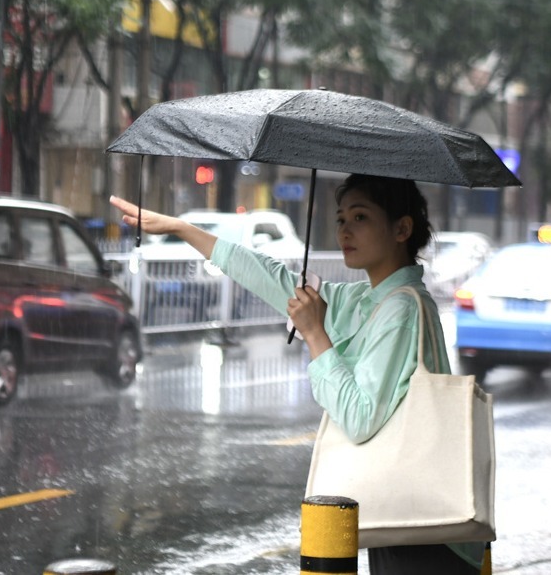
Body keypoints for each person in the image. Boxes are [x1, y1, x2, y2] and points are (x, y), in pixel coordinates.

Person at [111, 174, 486, 574]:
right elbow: (270, 277)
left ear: (402, 228)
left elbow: (359, 419)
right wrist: (182, 228)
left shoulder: (402, 310)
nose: (344, 230)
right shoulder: (368, 299)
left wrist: (313, 332)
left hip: (428, 532)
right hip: (414, 514)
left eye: (360, 217)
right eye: (341, 219)